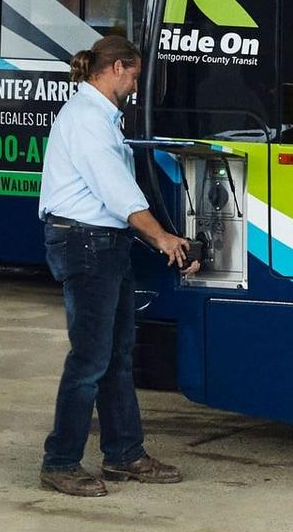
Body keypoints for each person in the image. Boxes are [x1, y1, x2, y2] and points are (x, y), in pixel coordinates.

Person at [34, 30, 193, 497]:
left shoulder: (103, 117)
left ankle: (124, 454)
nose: (137, 88)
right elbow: (117, 192)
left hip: (104, 243)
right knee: (89, 359)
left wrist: (160, 236)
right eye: (135, 76)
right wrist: (162, 238)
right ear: (117, 67)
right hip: (86, 244)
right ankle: (59, 461)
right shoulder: (87, 118)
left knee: (117, 356)